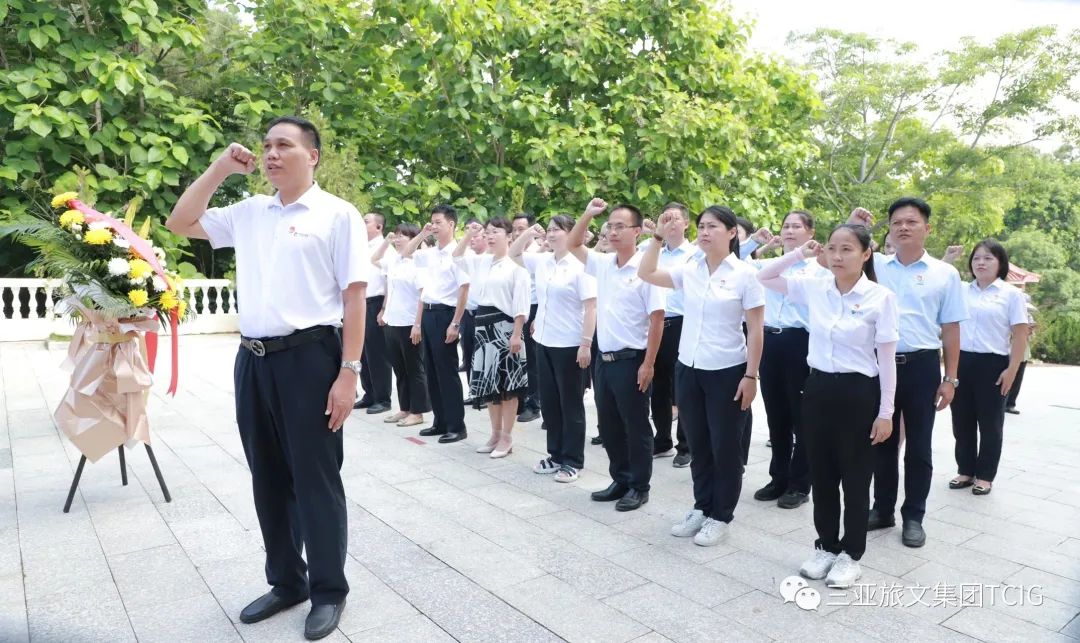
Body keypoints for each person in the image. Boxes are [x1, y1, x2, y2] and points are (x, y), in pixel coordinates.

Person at [166, 117, 362, 639]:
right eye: (267, 146)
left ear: (312, 155)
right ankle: (287, 581)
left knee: (316, 478)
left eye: (285, 146)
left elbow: (354, 296)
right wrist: (220, 168)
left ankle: (327, 590)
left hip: (311, 357)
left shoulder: (337, 215)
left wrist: (349, 371)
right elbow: (180, 222)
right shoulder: (249, 212)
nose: (272, 154)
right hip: (253, 359)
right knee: (268, 476)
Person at [757, 224, 898, 589]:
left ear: (866, 254)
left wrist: (885, 413)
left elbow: (886, 359)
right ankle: (825, 545)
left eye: (847, 249)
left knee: (854, 476)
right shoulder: (816, 287)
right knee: (822, 474)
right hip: (817, 388)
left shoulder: (880, 297)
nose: (837, 255)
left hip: (858, 393)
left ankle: (851, 554)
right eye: (833, 248)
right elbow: (765, 274)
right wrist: (800, 252)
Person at [640, 206, 764, 546]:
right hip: (689, 368)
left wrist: (751, 377)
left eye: (713, 226)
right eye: (702, 226)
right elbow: (647, 273)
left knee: (725, 446)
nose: (705, 232)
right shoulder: (690, 268)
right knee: (698, 443)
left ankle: (721, 514)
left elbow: (755, 330)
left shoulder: (744, 274)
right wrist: (657, 237)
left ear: (732, 232)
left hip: (727, 370)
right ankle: (702, 505)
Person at [849, 199, 968, 548]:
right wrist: (853, 222)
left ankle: (913, 515)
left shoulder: (945, 274)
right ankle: (882, 508)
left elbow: (950, 329)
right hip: (877, 366)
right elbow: (837, 256)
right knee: (880, 441)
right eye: (896, 222)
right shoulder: (876, 267)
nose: (903, 227)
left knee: (919, 446)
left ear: (927, 229)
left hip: (921, 366)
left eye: (911, 222)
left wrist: (951, 378)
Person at [568, 199, 665, 511]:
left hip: (632, 359)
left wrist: (648, 364)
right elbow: (573, 244)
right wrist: (588, 214)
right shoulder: (604, 264)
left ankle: (639, 485)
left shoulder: (647, 269)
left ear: (638, 231)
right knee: (609, 424)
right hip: (604, 359)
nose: (612, 231)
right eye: (610, 226)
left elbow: (657, 319)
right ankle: (620, 478)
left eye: (620, 226)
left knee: (635, 425)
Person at [751, 211, 830, 510]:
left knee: (802, 416)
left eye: (797, 226)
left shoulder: (819, 270)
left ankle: (800, 483)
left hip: (801, 342)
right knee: (776, 414)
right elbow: (751, 268)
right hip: (770, 340)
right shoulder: (769, 265)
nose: (790, 231)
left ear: (810, 232)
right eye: (786, 226)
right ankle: (778, 477)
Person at [511, 216, 597, 483]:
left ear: (571, 234)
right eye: (548, 229)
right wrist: (529, 234)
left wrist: (586, 343)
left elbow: (591, 307)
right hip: (545, 341)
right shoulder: (544, 261)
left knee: (570, 404)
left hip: (570, 344)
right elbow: (513, 253)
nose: (550, 234)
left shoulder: (582, 265)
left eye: (556, 230)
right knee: (550, 403)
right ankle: (556, 455)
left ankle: (573, 460)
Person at [949, 240, 1029, 495]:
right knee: (961, 421)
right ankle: (965, 470)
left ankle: (985, 476)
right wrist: (949, 258)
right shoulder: (961, 290)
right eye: (976, 259)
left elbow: (1020, 334)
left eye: (988, 258)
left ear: (1000, 264)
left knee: (991, 424)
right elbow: (935, 280)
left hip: (993, 364)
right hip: (961, 361)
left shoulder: (1010, 294)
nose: (981, 263)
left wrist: (1012, 370)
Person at [454, 218, 531, 457]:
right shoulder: (481, 263)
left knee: (508, 385)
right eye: (487, 232)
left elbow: (520, 307)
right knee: (488, 384)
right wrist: (469, 234)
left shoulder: (516, 269)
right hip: (482, 326)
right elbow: (456, 257)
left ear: (509, 236)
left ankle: (507, 436)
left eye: (495, 232)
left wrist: (517, 334)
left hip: (505, 327)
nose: (489, 236)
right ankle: (495, 433)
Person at [400, 206, 471, 443]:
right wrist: (422, 234)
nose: (435, 226)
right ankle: (439, 421)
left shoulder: (459, 253)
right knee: (431, 370)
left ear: (451, 224)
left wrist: (456, 323)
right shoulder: (429, 253)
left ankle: (456, 425)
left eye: (439, 222)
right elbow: (406, 253)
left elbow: (464, 289)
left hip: (446, 314)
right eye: (432, 222)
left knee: (447, 371)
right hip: (428, 313)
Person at [640, 203, 700, 468]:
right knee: (659, 385)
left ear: (686, 223)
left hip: (683, 322)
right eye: (665, 218)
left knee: (682, 388)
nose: (670, 223)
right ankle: (662, 438)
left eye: (675, 219)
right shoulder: (651, 251)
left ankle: (685, 445)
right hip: (656, 323)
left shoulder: (696, 254)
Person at [371, 224, 430, 428]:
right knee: (400, 369)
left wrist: (418, 324)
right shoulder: (395, 262)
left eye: (402, 236)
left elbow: (423, 296)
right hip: (392, 321)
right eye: (396, 236)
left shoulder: (419, 263)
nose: (398, 239)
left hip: (409, 322)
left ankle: (418, 411)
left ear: (413, 239)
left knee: (414, 369)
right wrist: (387, 241)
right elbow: (374, 259)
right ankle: (405, 408)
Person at [355, 212, 393, 414]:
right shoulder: (361, 246)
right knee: (362, 353)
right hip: (361, 302)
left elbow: (389, 280)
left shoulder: (386, 249)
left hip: (376, 302)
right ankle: (369, 393)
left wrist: (384, 309)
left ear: (378, 227)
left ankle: (383, 398)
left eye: (366, 221)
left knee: (377, 353)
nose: (363, 224)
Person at [512, 212, 543, 423]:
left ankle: (535, 403)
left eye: (521, 229)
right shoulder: (515, 251)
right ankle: (522, 399)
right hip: (517, 307)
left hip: (533, 306)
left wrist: (537, 316)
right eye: (514, 229)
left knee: (533, 360)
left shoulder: (536, 252)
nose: (516, 233)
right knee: (520, 359)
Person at [459, 217, 488, 407]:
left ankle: (486, 394)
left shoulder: (491, 257)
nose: (472, 238)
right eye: (468, 233)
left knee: (484, 356)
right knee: (469, 354)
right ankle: (473, 391)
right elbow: (456, 254)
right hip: (467, 314)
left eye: (476, 234)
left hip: (484, 313)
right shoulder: (467, 257)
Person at [1005, 290, 1036, 414]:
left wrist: (1030, 331)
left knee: (1018, 379)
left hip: (1023, 352)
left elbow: (1031, 337)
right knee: (1007, 377)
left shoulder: (1029, 317)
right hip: (1008, 350)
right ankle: (1002, 402)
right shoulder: (1008, 314)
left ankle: (1011, 403)